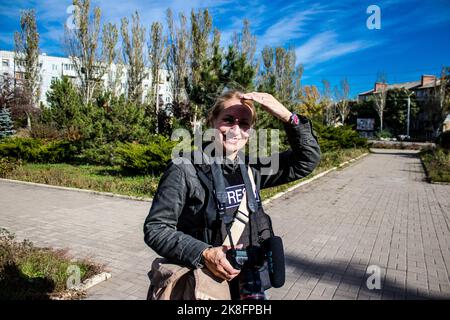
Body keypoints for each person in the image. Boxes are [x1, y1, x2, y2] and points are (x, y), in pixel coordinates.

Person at [143, 89, 321, 299]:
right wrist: (205, 254)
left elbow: (306, 160)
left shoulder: (252, 168)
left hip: (250, 285)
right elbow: (156, 228)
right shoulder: (185, 168)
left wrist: (287, 116)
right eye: (228, 120)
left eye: (244, 124)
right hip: (205, 285)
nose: (236, 130)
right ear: (212, 121)